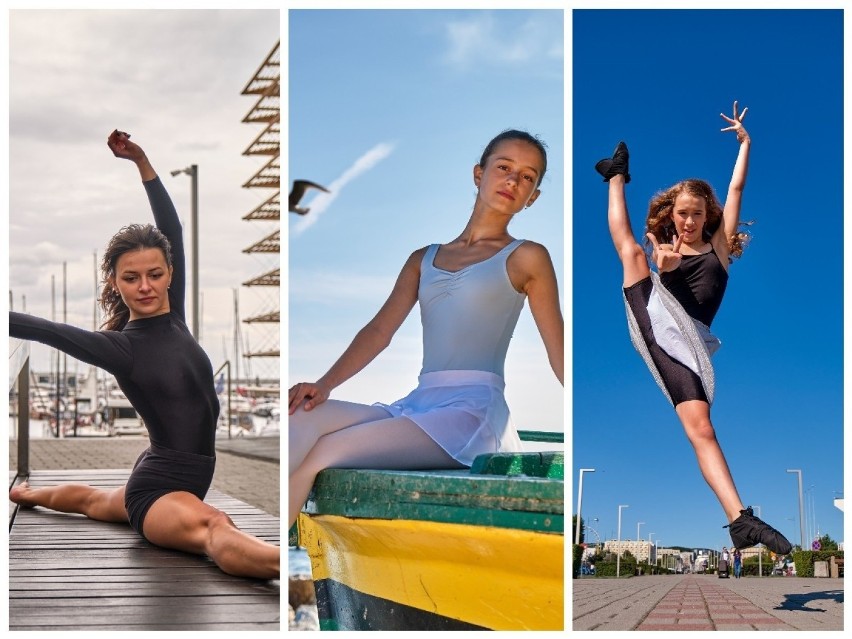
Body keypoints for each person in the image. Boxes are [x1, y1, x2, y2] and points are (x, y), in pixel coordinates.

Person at [9, 130, 279, 580]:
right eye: (131, 278)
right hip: (158, 493)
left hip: (162, 475)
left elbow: (171, 230)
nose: (146, 286)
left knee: (94, 502)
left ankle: (29, 496)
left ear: (171, 273)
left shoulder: (177, 319)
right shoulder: (123, 348)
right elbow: (42, 328)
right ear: (115, 283)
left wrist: (143, 163)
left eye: (155, 273)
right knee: (215, 526)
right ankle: (299, 572)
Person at [288, 129, 564, 528]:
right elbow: (379, 331)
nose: (513, 181)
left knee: (324, 452)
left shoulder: (527, 257)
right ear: (478, 174)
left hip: (471, 414)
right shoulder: (424, 258)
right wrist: (325, 384)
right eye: (504, 167)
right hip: (418, 403)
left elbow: (559, 354)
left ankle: (273, 555)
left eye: (527, 177)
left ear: (533, 196)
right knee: (301, 417)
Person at [596, 102, 791, 556]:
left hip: (692, 339)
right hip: (655, 315)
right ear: (673, 214)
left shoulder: (719, 249)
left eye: (697, 214)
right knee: (631, 255)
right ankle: (616, 177)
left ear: (708, 217)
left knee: (701, 429)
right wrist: (662, 269)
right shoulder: (663, 249)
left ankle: (740, 520)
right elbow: (644, 253)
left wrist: (745, 143)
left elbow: (737, 186)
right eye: (682, 213)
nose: (688, 221)